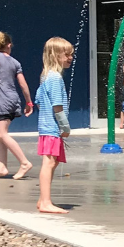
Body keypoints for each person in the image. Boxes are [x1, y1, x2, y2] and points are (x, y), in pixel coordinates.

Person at [0, 31, 36, 179]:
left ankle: (24, 162)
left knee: (2, 133)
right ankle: (2, 167)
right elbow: (23, 84)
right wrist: (29, 102)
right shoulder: (16, 62)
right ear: (8, 45)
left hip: (3, 100)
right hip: (13, 99)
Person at [33, 37, 75, 214]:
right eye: (67, 55)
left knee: (53, 162)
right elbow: (57, 107)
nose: (71, 58)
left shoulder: (45, 76)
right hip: (52, 128)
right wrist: (64, 127)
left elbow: (38, 101)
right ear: (55, 55)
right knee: (49, 163)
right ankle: (46, 202)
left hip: (46, 126)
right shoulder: (55, 78)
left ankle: (43, 199)